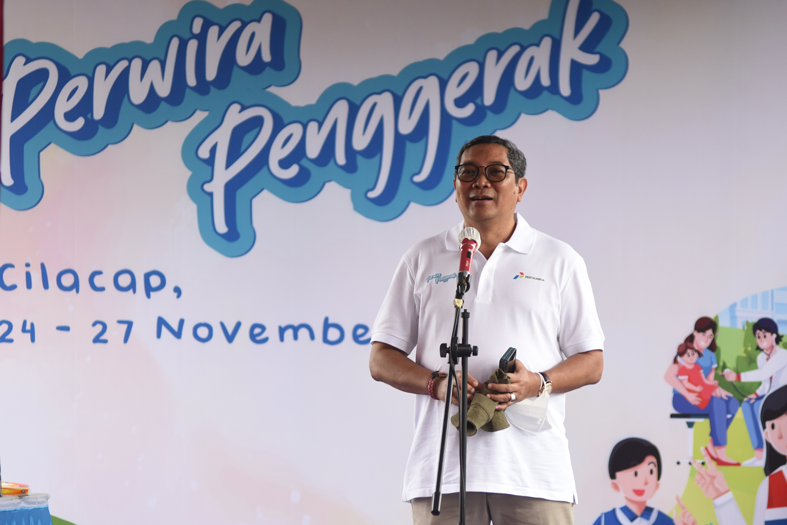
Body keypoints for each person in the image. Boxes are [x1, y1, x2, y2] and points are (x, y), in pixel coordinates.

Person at [369, 135, 605, 525]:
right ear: (456, 187)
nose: (480, 181)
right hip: (442, 475)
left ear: (520, 187)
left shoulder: (560, 259)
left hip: (534, 475)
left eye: (496, 172)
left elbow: (592, 361)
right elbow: (381, 359)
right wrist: (437, 384)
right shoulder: (422, 257)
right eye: (468, 172)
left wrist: (537, 382)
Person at [692, 384, 787, 525]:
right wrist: (722, 496)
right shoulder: (769, 486)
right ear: (767, 435)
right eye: (773, 426)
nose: (780, 434)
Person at [664, 317, 740, 466]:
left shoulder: (711, 356)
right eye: (704, 334)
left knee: (733, 403)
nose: (707, 339)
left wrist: (716, 389)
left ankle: (711, 446)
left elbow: (708, 381)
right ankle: (721, 453)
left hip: (703, 396)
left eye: (710, 336)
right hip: (683, 398)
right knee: (718, 404)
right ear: (695, 333)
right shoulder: (685, 353)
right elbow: (669, 376)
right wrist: (687, 394)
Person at [722, 318, 787, 467]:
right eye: (758, 336)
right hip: (770, 397)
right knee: (747, 405)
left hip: (783, 397)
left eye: (764, 335)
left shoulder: (783, 355)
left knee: (760, 408)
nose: (761, 339)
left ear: (774, 335)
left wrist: (737, 377)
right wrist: (755, 395)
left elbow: (764, 373)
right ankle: (759, 454)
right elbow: (765, 384)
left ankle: (767, 452)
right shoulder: (761, 358)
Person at [592, 437, 696, 525]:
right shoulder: (604, 521)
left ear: (656, 485)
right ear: (615, 485)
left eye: (650, 472)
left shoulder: (666, 522)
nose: (643, 481)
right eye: (635, 474)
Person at [675, 343, 716, 410]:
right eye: (688, 355)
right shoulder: (683, 370)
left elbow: (704, 380)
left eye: (693, 354)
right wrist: (695, 388)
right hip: (694, 390)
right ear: (682, 357)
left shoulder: (697, 366)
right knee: (712, 396)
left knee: (716, 390)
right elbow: (685, 383)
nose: (692, 357)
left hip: (702, 387)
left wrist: (712, 383)